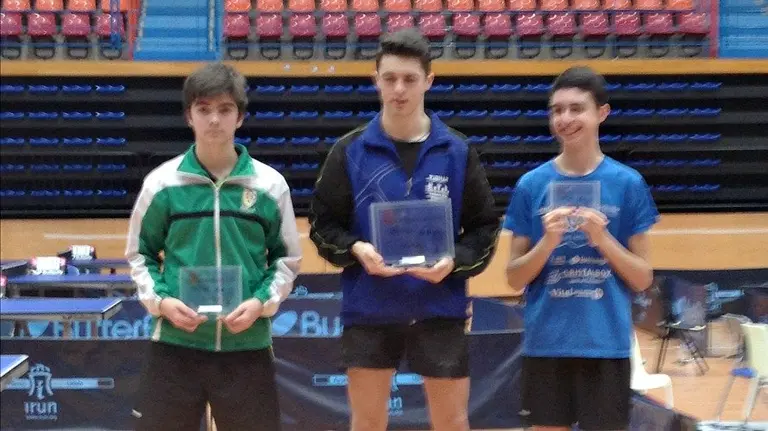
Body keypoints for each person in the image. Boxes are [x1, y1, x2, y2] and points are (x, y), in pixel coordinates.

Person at [309, 28, 500, 431]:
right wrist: (357, 249)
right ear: (375, 79)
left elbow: (483, 229)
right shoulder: (349, 151)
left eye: (410, 79)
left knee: (452, 421)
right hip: (369, 309)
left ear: (428, 81)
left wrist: (453, 263)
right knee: (367, 421)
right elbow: (324, 227)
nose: (399, 89)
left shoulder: (457, 151)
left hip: (440, 307)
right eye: (390, 78)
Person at [125, 62, 302, 431]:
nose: (214, 120)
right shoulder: (162, 185)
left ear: (240, 117)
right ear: (189, 116)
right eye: (204, 109)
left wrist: (260, 304)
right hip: (176, 344)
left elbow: (286, 261)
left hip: (247, 345)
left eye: (225, 109)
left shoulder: (270, 186)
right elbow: (139, 254)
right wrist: (161, 302)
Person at [503, 65, 660, 431]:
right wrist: (548, 242)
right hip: (546, 344)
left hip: (605, 345)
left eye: (577, 109)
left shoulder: (628, 184)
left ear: (601, 114)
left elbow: (642, 278)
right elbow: (513, 278)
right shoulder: (531, 185)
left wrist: (603, 239)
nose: (565, 118)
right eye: (557, 110)